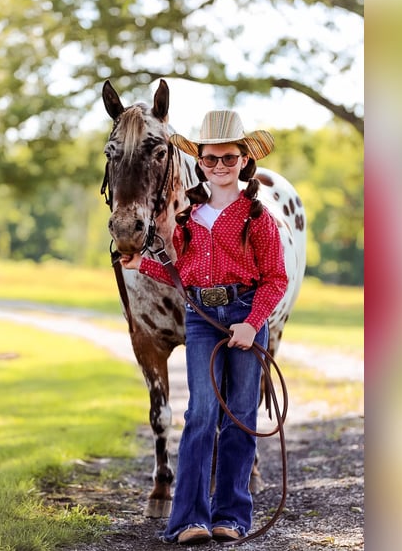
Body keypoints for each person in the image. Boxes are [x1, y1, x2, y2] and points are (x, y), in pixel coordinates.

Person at [120, 110, 288, 545]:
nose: (219, 167)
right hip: (202, 321)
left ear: (243, 162)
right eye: (211, 160)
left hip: (247, 314)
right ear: (201, 164)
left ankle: (230, 515)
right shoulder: (188, 220)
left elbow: (276, 280)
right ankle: (188, 517)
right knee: (201, 414)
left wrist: (253, 324)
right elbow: (184, 277)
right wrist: (144, 266)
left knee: (240, 416)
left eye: (228, 159)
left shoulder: (258, 218)